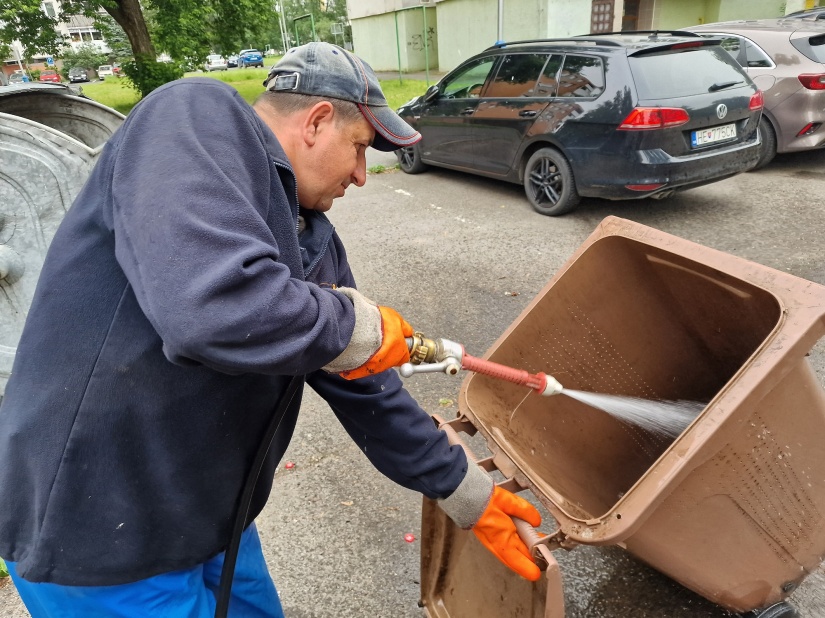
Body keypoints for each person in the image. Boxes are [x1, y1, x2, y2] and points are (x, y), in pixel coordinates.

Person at [0, 42, 541, 617]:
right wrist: (352, 324)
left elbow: (363, 381)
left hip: (208, 517)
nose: (362, 175)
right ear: (316, 121)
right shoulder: (192, 118)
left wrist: (463, 489)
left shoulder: (313, 239)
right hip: (94, 531)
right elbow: (209, 307)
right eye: (360, 149)